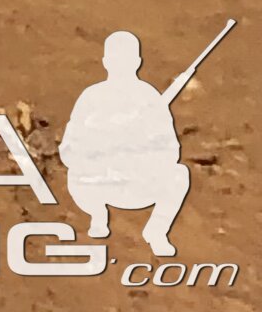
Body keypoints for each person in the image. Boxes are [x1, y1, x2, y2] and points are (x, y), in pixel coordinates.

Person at [60, 30, 197, 257]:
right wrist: (99, 149)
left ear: (137, 62)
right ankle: (97, 215)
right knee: (75, 174)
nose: (120, 65)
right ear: (105, 62)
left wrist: (138, 151)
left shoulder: (150, 98)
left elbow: (170, 150)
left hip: (137, 183)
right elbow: (68, 149)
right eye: (115, 59)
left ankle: (156, 231)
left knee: (179, 174)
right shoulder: (91, 97)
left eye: (125, 59)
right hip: (98, 183)